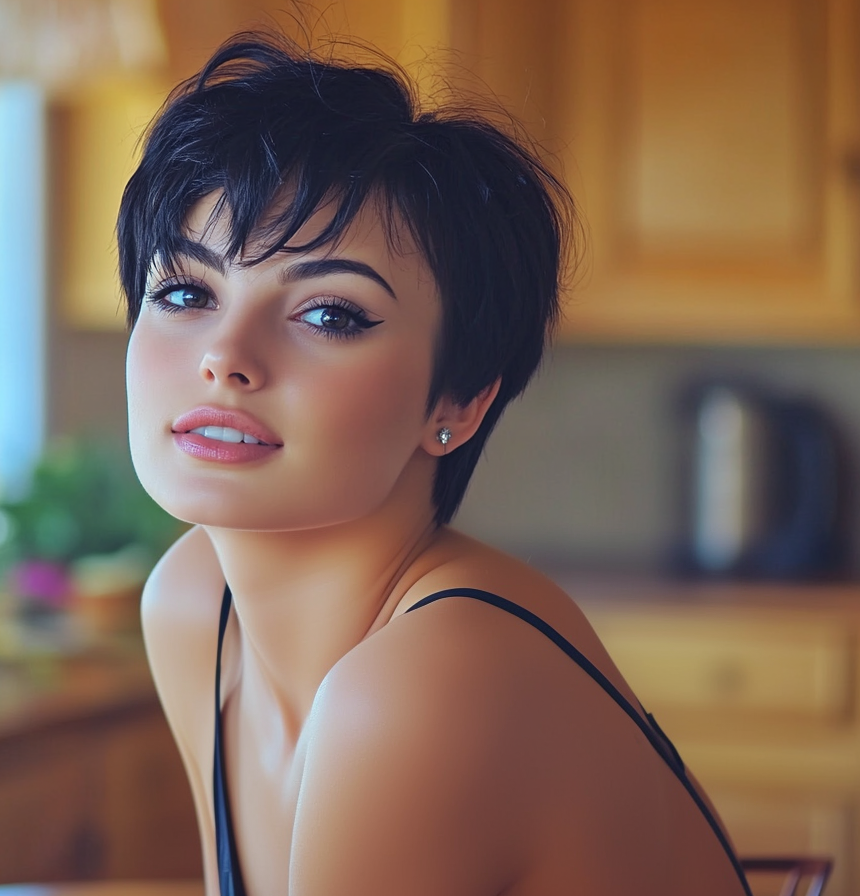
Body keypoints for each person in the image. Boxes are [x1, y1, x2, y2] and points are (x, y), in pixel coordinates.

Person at [118, 33, 750, 896]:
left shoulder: (428, 684)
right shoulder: (194, 606)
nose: (225, 356)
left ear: (459, 402)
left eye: (330, 314)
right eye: (186, 293)